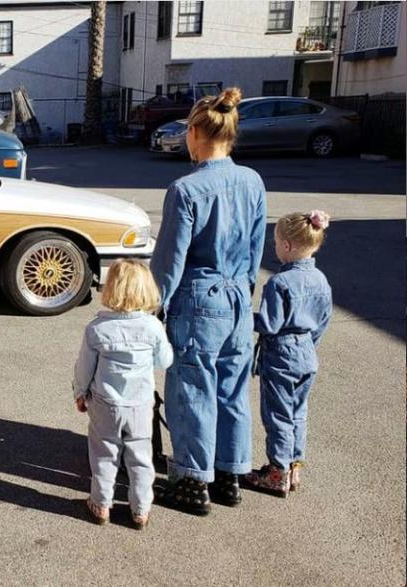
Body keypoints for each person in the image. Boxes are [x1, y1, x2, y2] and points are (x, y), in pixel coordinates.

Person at [149, 87, 267, 515]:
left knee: (193, 390)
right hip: (237, 296)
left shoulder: (185, 189)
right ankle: (229, 474)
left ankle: (192, 481)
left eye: (186, 133)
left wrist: (152, 307)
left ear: (197, 132)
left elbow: (170, 261)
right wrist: (245, 290)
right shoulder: (252, 181)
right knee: (232, 389)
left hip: (198, 301)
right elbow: (256, 247)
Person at [72, 259, 173, 529]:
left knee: (104, 454)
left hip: (105, 402)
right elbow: (165, 360)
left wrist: (80, 392)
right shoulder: (152, 327)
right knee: (140, 458)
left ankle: (101, 504)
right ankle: (140, 510)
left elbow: (84, 367)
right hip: (139, 403)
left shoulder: (97, 329)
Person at [244, 211, 332, 497]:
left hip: (281, 355)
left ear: (287, 246)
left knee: (277, 414)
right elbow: (323, 321)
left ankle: (277, 471)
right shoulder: (321, 280)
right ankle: (294, 467)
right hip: (307, 351)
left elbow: (269, 324)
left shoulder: (279, 283)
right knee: (298, 412)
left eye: (276, 243)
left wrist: (245, 318)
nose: (275, 248)